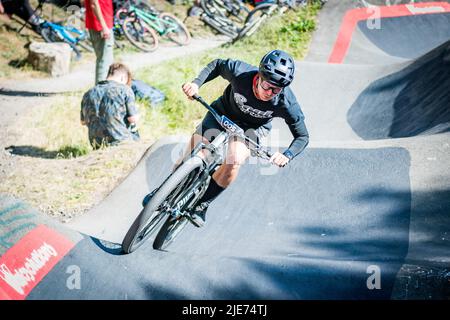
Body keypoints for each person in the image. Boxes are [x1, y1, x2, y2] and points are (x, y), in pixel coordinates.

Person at [144, 49, 309, 228]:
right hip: (223, 112)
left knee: (234, 159)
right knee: (191, 154)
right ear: (259, 76)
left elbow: (302, 136)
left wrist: (287, 155)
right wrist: (196, 84)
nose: (270, 93)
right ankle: (166, 190)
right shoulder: (241, 72)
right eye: (267, 86)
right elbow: (216, 65)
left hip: (252, 129)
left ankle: (201, 205)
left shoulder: (287, 102)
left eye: (276, 89)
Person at [80, 63, 139, 149]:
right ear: (123, 77)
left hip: (96, 143)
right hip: (120, 141)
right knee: (134, 129)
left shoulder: (88, 93)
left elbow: (83, 122)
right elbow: (133, 119)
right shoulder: (124, 90)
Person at [84, 0, 114, 84]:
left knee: (107, 60)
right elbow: (94, 4)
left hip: (104, 23)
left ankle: (106, 87)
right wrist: (103, 27)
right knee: (104, 61)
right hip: (100, 26)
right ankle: (100, 91)